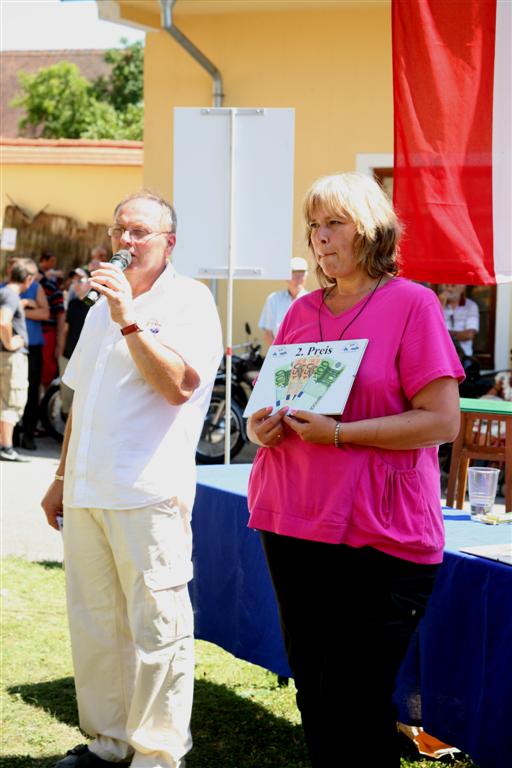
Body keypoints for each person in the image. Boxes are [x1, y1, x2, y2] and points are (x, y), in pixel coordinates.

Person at [246, 172, 464, 768]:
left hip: (378, 533)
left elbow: (443, 421)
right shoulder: (301, 311)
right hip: (291, 521)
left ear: (369, 229)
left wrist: (342, 434)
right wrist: (257, 427)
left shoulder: (410, 304)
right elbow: (264, 409)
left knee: (357, 698)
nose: (319, 237)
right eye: (313, 226)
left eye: (333, 223)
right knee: (314, 692)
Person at [41, 191, 223, 768]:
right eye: (121, 229)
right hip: (89, 488)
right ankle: (109, 741)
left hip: (149, 492)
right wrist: (61, 477)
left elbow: (178, 386)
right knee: (95, 624)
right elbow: (82, 399)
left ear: (169, 242)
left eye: (141, 232)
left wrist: (130, 319)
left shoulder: (191, 301)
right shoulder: (98, 308)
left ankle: (158, 753)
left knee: (158, 629)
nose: (127, 241)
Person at [0, 258, 37, 462]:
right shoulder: (10, 295)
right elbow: (3, 321)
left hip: (5, 356)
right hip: (12, 357)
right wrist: (10, 343)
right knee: (11, 401)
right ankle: (6, 447)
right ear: (28, 279)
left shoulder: (4, 292)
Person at [20, 268, 50, 450]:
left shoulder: (36, 288)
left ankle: (28, 435)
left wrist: (21, 311)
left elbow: (45, 314)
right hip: (10, 348)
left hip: (33, 348)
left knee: (32, 394)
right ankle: (11, 435)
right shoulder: (4, 288)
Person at [58, 274, 91, 417]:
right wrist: (60, 350)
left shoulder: (98, 306)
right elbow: (65, 329)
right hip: (67, 355)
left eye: (80, 281)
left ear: (90, 283)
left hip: (87, 358)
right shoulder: (72, 304)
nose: (75, 284)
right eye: (74, 281)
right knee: (65, 396)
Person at [258, 256, 308, 348]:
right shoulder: (273, 299)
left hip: (305, 355)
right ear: (285, 277)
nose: (299, 278)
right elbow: (268, 334)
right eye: (294, 273)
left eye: (302, 273)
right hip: (280, 354)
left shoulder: (312, 300)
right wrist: (279, 355)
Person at [39, 252, 66, 389]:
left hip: (47, 334)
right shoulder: (35, 283)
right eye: (51, 261)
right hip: (35, 334)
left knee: (46, 373)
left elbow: (61, 316)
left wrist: (59, 344)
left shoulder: (52, 287)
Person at [438, 283, 479, 358]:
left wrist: (443, 334)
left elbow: (468, 335)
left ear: (462, 288)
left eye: (453, 285)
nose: (449, 289)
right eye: (446, 285)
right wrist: (440, 306)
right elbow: (432, 329)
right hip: (442, 356)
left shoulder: (471, 306)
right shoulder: (438, 305)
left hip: (463, 356)